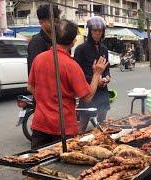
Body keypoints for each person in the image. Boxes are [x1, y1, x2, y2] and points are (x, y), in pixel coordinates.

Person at [27, 19, 109, 149]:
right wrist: (97, 73)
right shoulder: (71, 65)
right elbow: (87, 97)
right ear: (73, 41)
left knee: (37, 164)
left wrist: (46, 99)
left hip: (40, 124)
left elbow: (30, 87)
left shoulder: (39, 59)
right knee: (63, 166)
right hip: (63, 128)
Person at [74, 16, 111, 133]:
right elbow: (77, 72)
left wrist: (107, 77)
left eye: (100, 31)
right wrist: (94, 80)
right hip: (87, 90)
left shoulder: (104, 49)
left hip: (102, 91)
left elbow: (107, 68)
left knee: (101, 124)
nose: (97, 33)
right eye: (95, 31)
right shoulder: (80, 49)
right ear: (90, 31)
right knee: (82, 124)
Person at [27, 4, 61, 76]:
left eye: (57, 20)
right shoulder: (36, 43)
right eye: (52, 21)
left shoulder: (60, 39)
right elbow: (35, 72)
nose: (56, 24)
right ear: (41, 22)